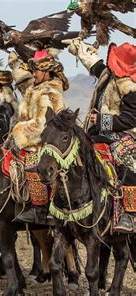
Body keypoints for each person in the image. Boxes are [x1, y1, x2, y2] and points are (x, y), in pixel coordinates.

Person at [65, 39, 136, 233]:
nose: (109, 62)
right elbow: (92, 62)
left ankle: (130, 215)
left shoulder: (130, 87)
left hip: (124, 134)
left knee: (130, 162)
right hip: (98, 133)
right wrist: (76, 46)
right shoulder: (107, 75)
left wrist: (102, 120)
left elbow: (131, 119)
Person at [6, 49, 69, 224]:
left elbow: (41, 125)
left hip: (46, 141)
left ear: (46, 72)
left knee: (33, 161)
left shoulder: (49, 93)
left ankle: (40, 209)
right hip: (32, 138)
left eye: (36, 71)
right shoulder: (36, 90)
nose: (33, 74)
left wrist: (19, 136)